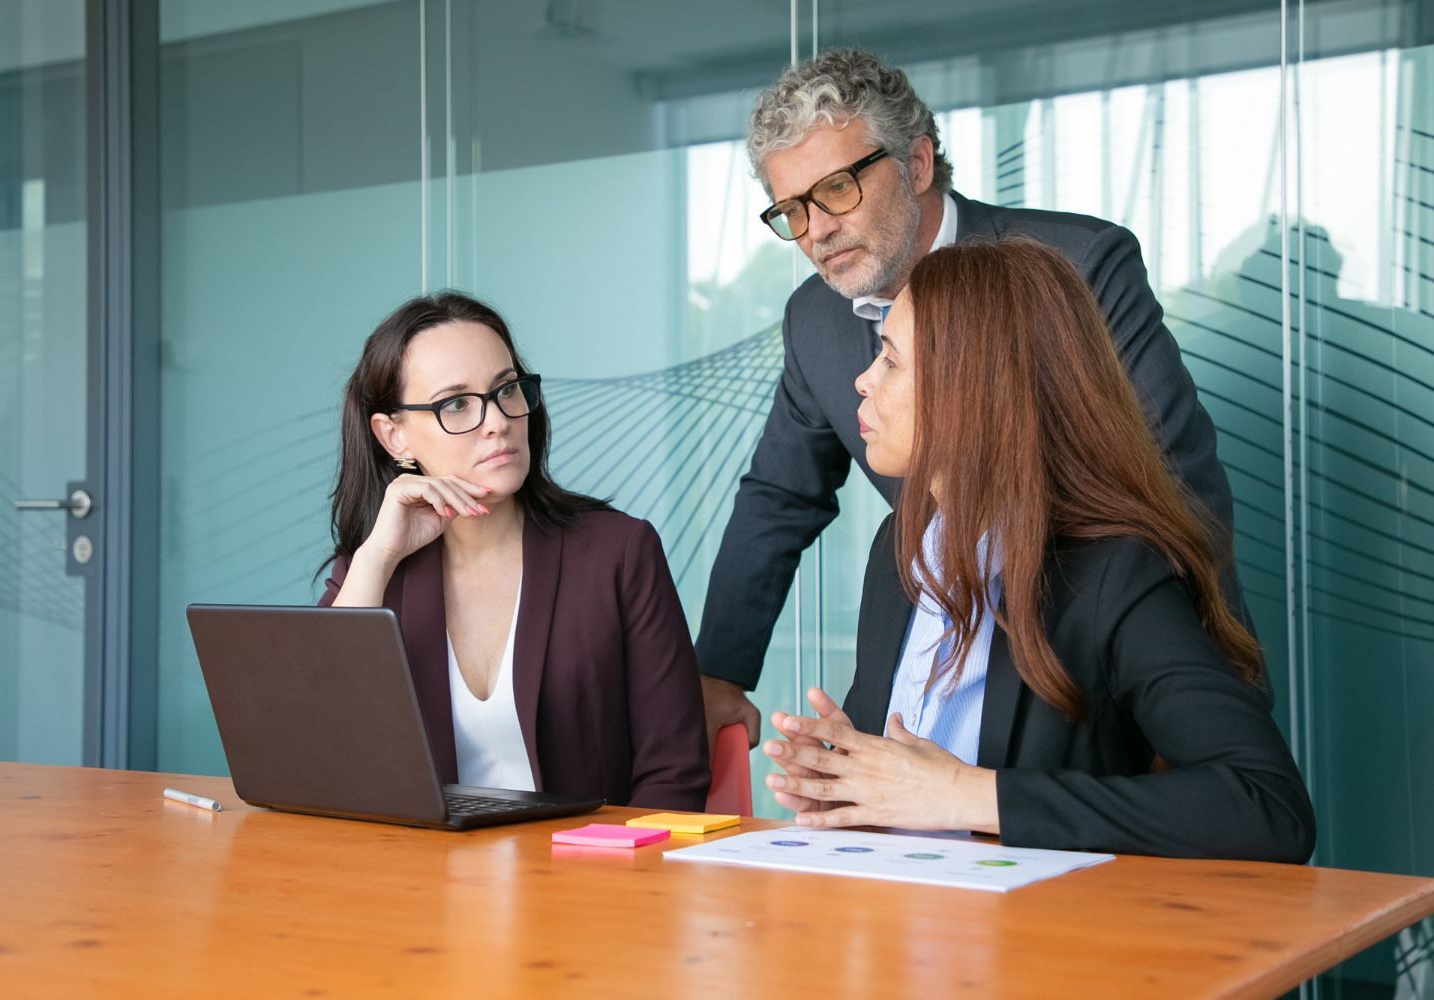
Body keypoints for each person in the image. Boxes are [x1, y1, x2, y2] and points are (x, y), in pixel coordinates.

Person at [696, 48, 1251, 751]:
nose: (818, 230)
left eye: (836, 189)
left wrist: (1173, 697)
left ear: (918, 164)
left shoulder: (1076, 267)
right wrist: (719, 671)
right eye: (793, 210)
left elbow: (1174, 483)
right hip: (939, 676)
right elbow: (779, 496)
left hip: (1103, 679)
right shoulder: (817, 318)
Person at [761, 239, 1314, 861]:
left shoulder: (1114, 572)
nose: (862, 380)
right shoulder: (899, 548)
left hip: (1040, 944)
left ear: (971, 389)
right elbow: (909, 801)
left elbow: (1267, 807)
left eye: (889, 358)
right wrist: (850, 791)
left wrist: (965, 795)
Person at [318, 293, 710, 811]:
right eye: (455, 403)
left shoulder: (618, 553)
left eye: (507, 390)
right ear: (394, 437)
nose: (497, 421)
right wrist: (377, 557)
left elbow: (674, 774)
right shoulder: (371, 571)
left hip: (589, 877)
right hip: (417, 880)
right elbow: (321, 749)